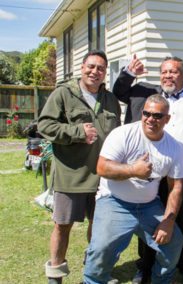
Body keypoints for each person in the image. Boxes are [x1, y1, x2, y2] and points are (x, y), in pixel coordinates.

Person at [112, 55, 183, 282]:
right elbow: (118, 92)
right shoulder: (145, 93)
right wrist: (129, 72)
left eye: (174, 71)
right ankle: (145, 266)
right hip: (151, 172)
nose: (168, 76)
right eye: (165, 72)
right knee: (148, 219)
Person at [83, 95, 183, 284]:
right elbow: (102, 167)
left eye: (157, 115)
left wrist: (168, 221)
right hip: (114, 201)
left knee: (174, 243)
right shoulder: (123, 134)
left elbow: (176, 187)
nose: (150, 119)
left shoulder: (174, 147)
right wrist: (133, 170)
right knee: (102, 248)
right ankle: (93, 280)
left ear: (167, 119)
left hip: (148, 206)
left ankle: (161, 280)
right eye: (147, 113)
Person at [38, 50, 121, 284]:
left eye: (101, 68)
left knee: (100, 226)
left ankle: (94, 269)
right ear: (82, 67)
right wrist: (76, 132)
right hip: (71, 175)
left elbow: (117, 135)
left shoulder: (111, 99)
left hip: (103, 176)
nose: (95, 72)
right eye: (91, 66)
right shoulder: (63, 94)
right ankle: (55, 275)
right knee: (63, 226)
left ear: (105, 72)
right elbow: (45, 125)